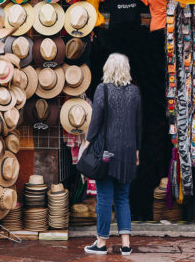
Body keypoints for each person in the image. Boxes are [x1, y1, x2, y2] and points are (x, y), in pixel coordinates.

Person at [84, 53, 142, 256]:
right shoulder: (135, 92)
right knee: (123, 197)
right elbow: (138, 125)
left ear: (108, 68)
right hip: (127, 152)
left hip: (107, 153)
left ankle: (101, 243)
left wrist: (87, 142)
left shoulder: (103, 89)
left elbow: (96, 120)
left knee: (104, 198)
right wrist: (136, 151)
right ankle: (126, 244)